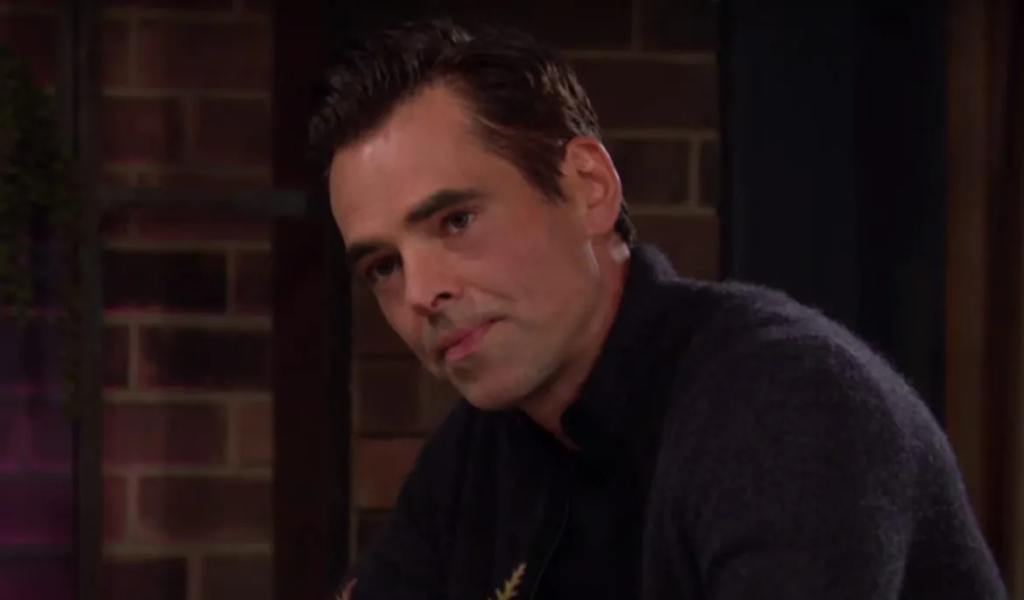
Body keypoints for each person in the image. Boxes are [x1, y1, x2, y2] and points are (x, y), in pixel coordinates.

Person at [308, 17, 1007, 600]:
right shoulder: (478, 452)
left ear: (588, 188)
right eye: (384, 266)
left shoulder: (787, 403)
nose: (421, 292)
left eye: (456, 221)